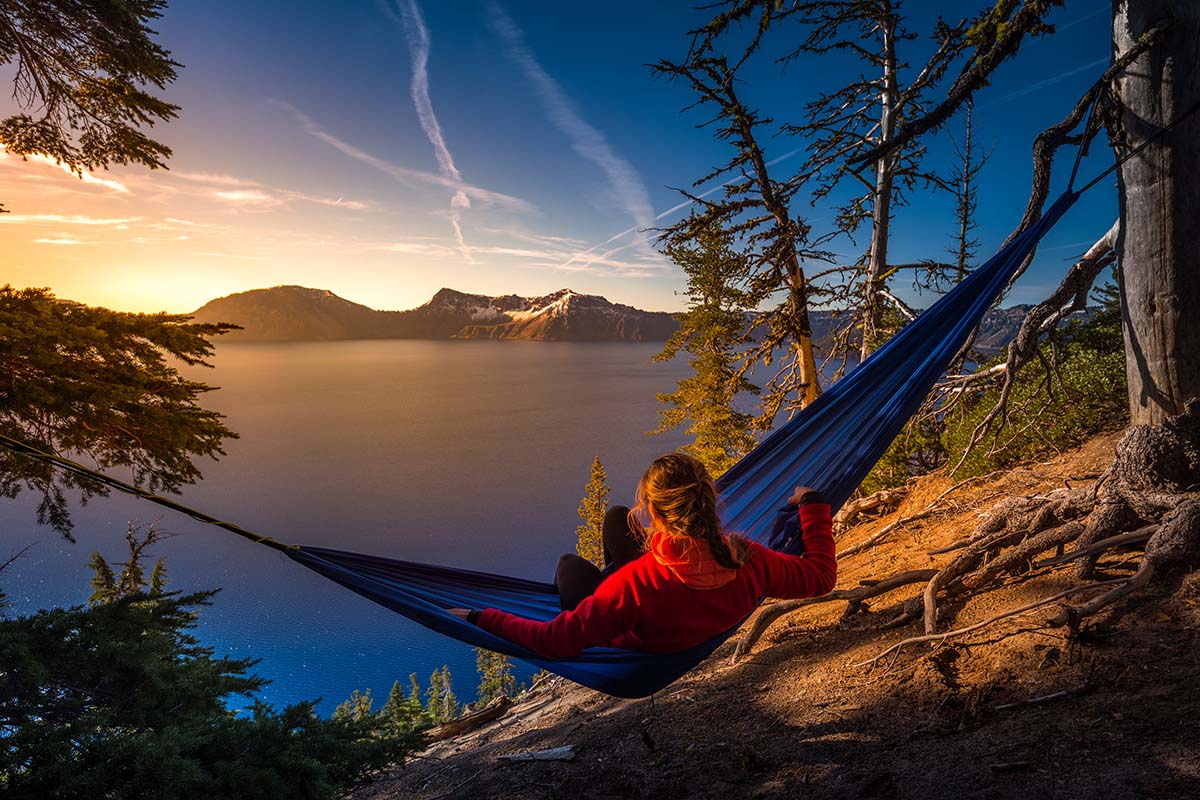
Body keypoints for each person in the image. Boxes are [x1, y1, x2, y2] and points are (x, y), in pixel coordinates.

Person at [450, 453, 836, 659]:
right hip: (681, 608)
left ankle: (594, 583)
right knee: (617, 518)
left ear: (653, 509)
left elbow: (555, 640)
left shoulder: (635, 586)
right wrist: (813, 504)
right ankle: (605, 572)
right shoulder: (747, 557)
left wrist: (480, 617)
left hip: (638, 624)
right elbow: (820, 576)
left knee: (569, 567)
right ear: (706, 499)